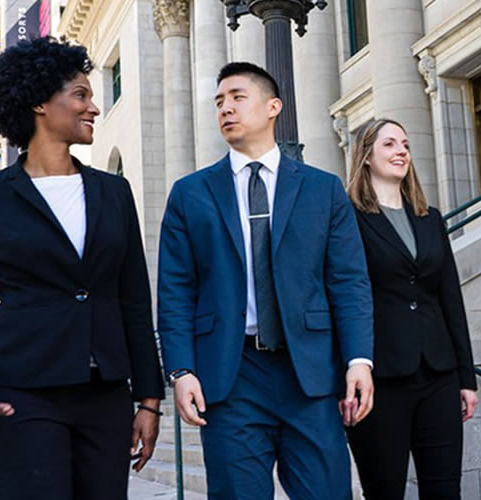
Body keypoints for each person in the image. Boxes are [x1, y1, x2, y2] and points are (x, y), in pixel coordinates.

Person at [0, 37, 164, 500]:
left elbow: (134, 301)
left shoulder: (113, 192)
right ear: (40, 103)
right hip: (18, 392)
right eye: (81, 94)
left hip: (103, 393)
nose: (94, 107)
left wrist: (149, 399)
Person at [158, 61, 375, 500]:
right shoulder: (190, 193)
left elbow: (348, 281)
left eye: (238, 97)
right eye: (219, 101)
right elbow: (175, 290)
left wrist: (358, 360)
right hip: (231, 375)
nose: (226, 109)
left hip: (310, 373)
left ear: (273, 107)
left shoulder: (323, 189)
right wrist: (180, 369)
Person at [344, 118, 478, 500]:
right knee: (384, 491)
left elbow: (450, 298)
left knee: (445, 491)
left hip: (438, 374)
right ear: (366, 156)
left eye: (404, 143)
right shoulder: (349, 219)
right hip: (379, 379)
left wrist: (466, 378)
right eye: (389, 144)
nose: (401, 151)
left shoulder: (429, 217)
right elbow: (343, 297)